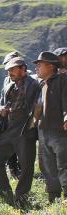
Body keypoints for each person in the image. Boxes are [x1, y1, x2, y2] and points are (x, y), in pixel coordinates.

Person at [0, 57, 40, 207]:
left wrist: (33, 125)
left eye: (12, 69)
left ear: (23, 69)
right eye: (8, 70)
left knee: (26, 166)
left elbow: (39, 105)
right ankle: (6, 195)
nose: (9, 72)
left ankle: (21, 198)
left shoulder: (34, 84)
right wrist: (1, 112)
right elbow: (0, 105)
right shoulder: (9, 85)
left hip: (25, 130)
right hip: (9, 129)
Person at [34, 51, 67, 202]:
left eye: (39, 65)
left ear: (51, 66)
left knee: (63, 164)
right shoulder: (41, 85)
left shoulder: (62, 80)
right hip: (43, 132)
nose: (36, 68)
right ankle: (54, 199)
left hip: (59, 131)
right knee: (47, 166)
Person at [2, 51, 24, 179]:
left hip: (22, 124)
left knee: (22, 151)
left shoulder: (29, 79)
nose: (8, 71)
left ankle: (24, 174)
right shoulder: (6, 81)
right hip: (8, 122)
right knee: (10, 151)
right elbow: (2, 101)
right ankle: (14, 173)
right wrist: (1, 110)